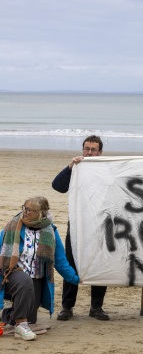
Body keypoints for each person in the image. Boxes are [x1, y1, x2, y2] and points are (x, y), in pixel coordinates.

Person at [0, 196, 80, 341]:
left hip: (37, 277)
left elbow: (60, 261)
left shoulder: (51, 231)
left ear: (41, 212)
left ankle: (10, 314)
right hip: (12, 273)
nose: (25, 212)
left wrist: (75, 278)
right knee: (24, 283)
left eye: (30, 210)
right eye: (24, 208)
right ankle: (20, 325)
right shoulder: (12, 226)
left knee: (32, 318)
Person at [52, 135, 109, 321]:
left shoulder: (108, 169)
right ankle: (67, 307)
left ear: (100, 153)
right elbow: (58, 186)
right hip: (78, 225)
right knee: (72, 263)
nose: (89, 153)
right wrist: (70, 167)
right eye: (86, 149)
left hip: (101, 226)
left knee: (99, 264)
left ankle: (96, 307)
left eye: (93, 150)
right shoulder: (76, 168)